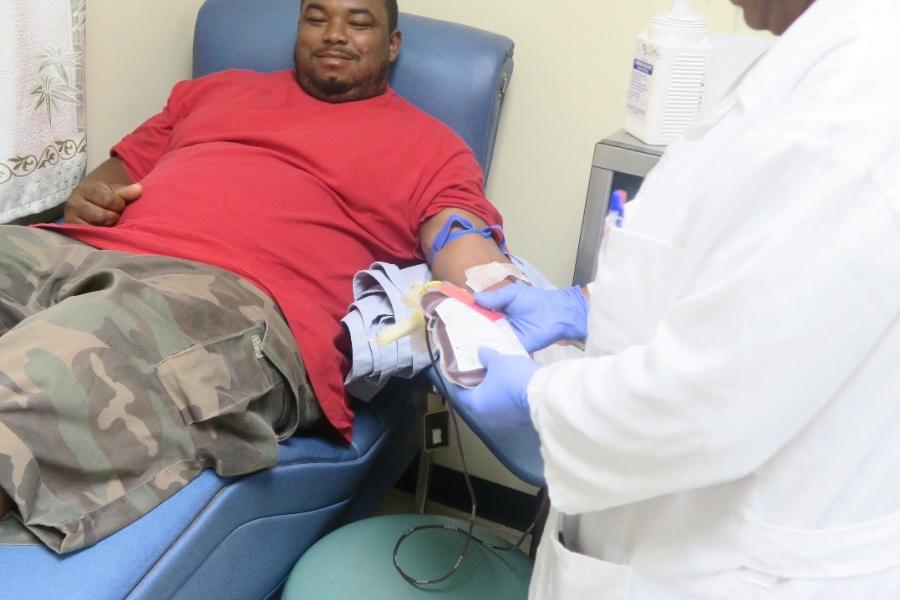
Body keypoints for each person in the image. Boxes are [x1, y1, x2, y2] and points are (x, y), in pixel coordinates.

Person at [0, 0, 508, 553]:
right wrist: (90, 197)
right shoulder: (212, 93)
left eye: (359, 22)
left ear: (393, 45)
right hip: (92, 251)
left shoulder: (431, 147)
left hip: (231, 297)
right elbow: (117, 170)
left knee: (48, 365)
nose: (335, 34)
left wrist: (508, 301)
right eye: (317, 18)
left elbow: (461, 242)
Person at [457, 0, 900, 597]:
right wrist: (585, 306)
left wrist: (538, 395)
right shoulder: (809, 62)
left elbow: (716, 399)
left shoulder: (853, 108)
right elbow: (745, 273)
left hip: (732, 563)